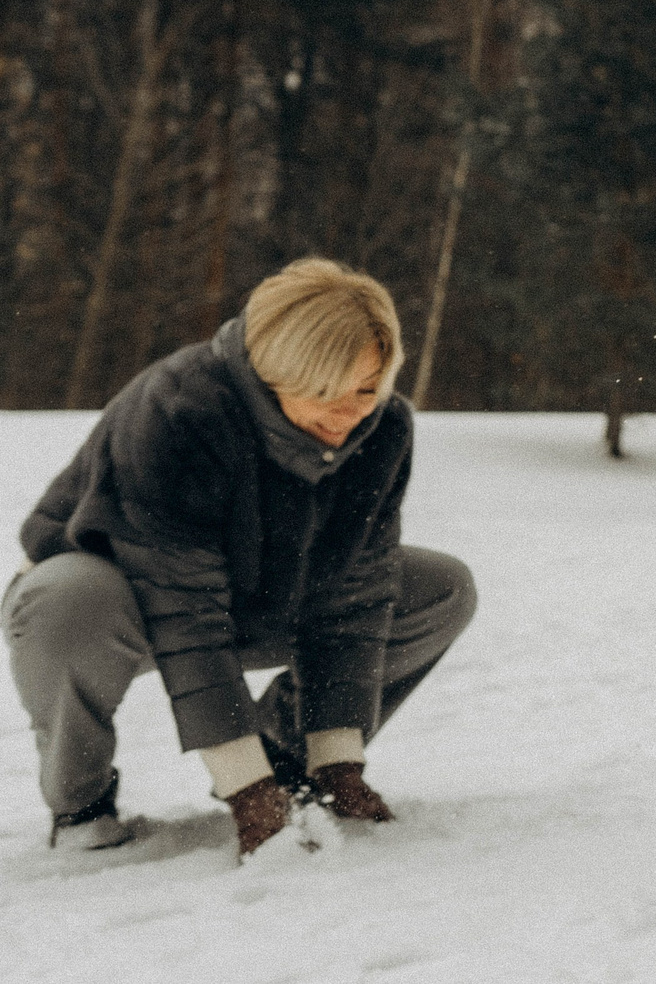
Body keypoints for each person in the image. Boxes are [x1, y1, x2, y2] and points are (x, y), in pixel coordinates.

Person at [8, 258, 477, 857]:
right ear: (275, 369)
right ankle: (81, 802)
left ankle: (291, 759)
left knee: (441, 587)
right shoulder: (182, 409)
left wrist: (337, 761)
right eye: (325, 392)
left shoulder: (383, 428)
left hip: (260, 596)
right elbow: (185, 610)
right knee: (68, 599)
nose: (348, 413)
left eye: (366, 388)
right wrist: (243, 786)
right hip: (124, 605)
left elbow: (355, 588)